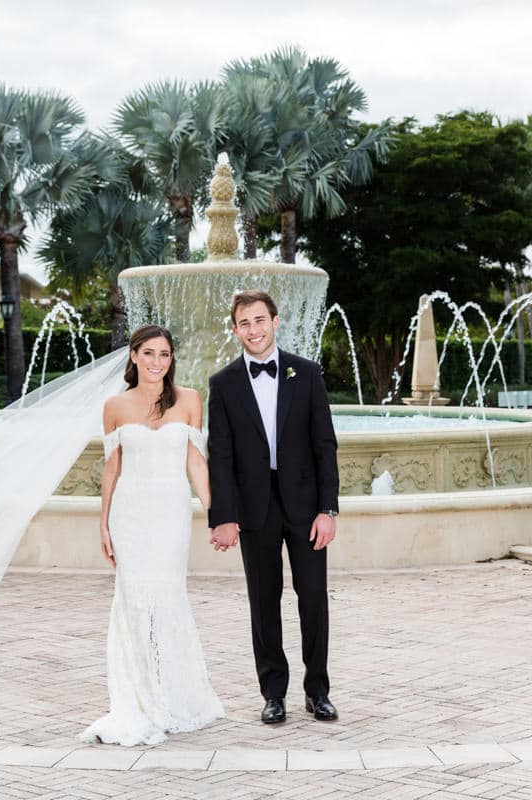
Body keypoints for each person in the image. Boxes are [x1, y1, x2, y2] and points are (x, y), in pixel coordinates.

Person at [82, 324, 224, 746]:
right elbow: (112, 468)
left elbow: (197, 462)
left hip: (171, 514)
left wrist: (216, 512)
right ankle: (140, 697)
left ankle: (172, 694)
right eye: (149, 353)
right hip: (131, 515)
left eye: (164, 355)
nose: (157, 362)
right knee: (133, 601)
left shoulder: (190, 401)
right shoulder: (114, 407)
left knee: (167, 598)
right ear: (133, 356)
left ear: (171, 359)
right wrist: (103, 523)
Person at [207, 290, 341, 725]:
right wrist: (223, 516)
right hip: (253, 510)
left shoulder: (307, 373)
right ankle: (273, 693)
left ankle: (317, 690)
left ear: (275, 321)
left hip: (305, 509)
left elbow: (325, 446)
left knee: (314, 599)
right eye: (245, 323)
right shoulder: (222, 384)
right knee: (263, 603)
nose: (254, 330)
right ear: (235, 329)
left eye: (260, 320)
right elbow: (220, 457)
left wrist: (328, 509)